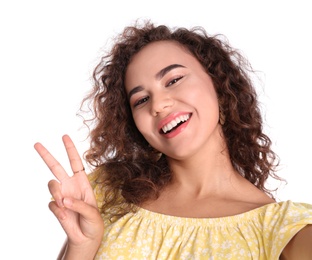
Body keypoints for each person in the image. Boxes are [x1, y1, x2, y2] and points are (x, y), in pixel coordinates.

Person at [34, 20, 312, 259]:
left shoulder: (280, 228)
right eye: (141, 99)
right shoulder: (107, 196)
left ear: (217, 84)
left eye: (173, 80)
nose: (158, 104)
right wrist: (81, 246)